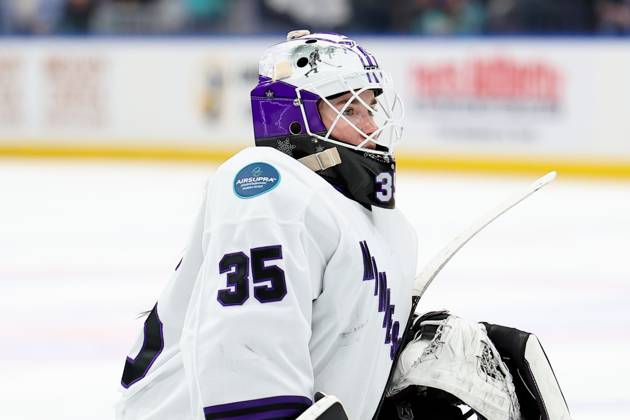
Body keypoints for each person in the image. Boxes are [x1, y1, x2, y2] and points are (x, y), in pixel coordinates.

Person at [115, 30, 417, 420]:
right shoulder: (267, 186)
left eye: (370, 108)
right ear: (294, 119)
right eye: (349, 109)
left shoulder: (378, 223)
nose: (372, 127)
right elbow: (244, 359)